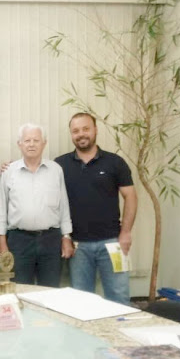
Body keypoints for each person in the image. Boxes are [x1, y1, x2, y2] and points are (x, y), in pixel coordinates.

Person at [55, 112, 137, 305]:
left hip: (113, 243)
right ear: (71, 134)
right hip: (78, 246)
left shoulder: (115, 162)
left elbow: (131, 197)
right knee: (82, 301)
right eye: (76, 131)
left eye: (86, 129)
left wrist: (126, 233)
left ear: (95, 130)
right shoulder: (59, 165)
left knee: (119, 297)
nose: (81, 134)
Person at [0, 124, 73, 287]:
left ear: (44, 143)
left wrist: (66, 237)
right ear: (19, 144)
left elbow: (64, 207)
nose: (31, 144)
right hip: (19, 241)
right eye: (27, 140)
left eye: (36, 140)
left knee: (50, 290)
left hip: (51, 240)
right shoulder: (9, 171)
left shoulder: (56, 170)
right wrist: (1, 242)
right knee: (20, 288)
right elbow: (1, 209)